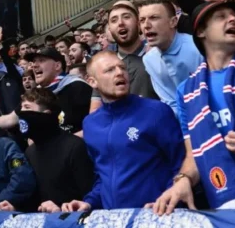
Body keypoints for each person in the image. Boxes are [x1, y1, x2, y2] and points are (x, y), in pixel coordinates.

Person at [150, 1, 235, 215]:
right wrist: (183, 180)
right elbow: (195, 153)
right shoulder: (187, 92)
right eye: (221, 17)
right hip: (231, 211)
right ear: (200, 31)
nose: (233, 19)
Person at [61, 52, 185, 212]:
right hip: (114, 219)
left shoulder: (156, 111)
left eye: (122, 68)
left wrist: (169, 199)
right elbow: (102, 176)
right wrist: (89, 202)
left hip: (157, 216)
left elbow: (180, 164)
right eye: (110, 70)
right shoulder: (90, 124)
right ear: (92, 81)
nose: (120, 73)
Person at [20, 89, 94, 213]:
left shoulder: (75, 146)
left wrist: (61, 210)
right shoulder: (29, 152)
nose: (22, 113)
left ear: (46, 114)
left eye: (27, 107)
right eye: (21, 108)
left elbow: (88, 197)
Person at [0, 48, 92, 136]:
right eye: (33, 61)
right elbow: (11, 119)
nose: (34, 65)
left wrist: (65, 143)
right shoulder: (36, 93)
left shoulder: (78, 87)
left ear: (57, 66)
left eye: (41, 60)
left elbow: (97, 125)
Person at [139, 0, 203, 113]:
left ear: (173, 22)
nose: (146, 25)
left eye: (154, 18)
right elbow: (170, 102)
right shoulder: (149, 59)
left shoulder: (197, 48)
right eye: (142, 20)